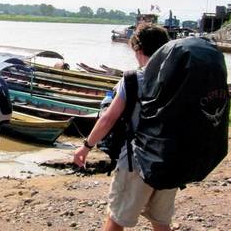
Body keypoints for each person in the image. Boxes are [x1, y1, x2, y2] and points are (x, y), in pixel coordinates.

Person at [73, 22, 175, 231]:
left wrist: (86, 146)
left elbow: (108, 120)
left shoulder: (133, 78)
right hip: (170, 159)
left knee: (116, 218)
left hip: (136, 161)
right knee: (161, 221)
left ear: (138, 50)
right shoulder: (177, 79)